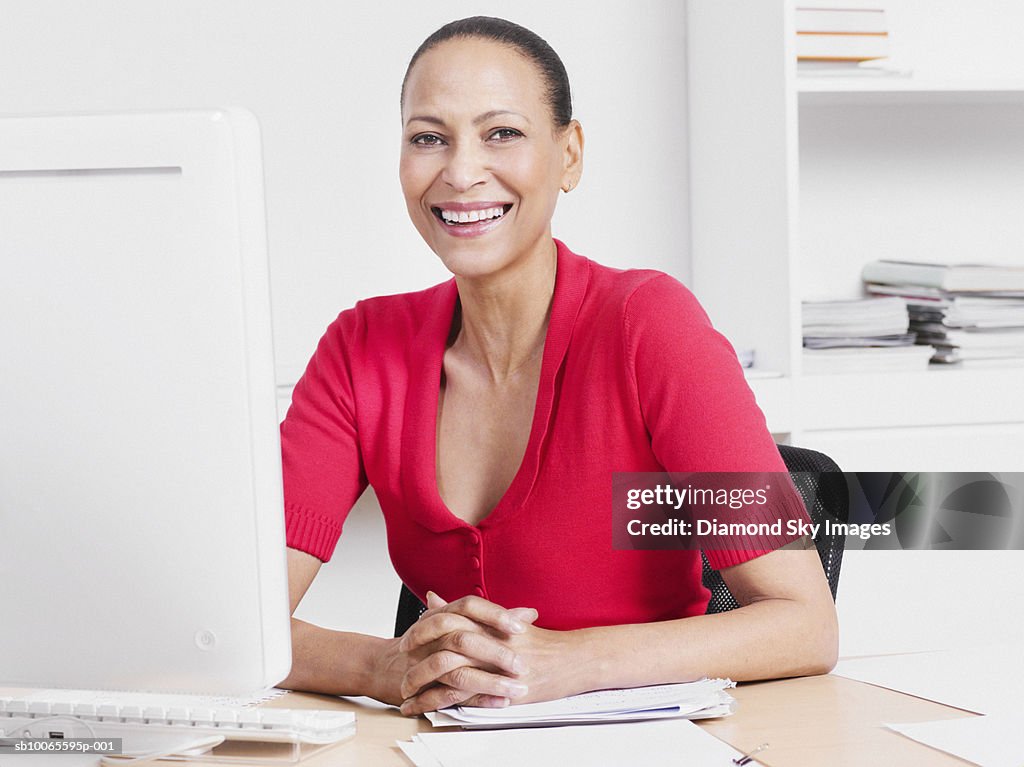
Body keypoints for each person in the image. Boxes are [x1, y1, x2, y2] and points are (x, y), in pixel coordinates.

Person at [281, 16, 838, 716]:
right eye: (428, 138)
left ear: (569, 155)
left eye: (501, 133)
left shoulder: (651, 326)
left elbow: (804, 620)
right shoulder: (361, 347)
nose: (460, 171)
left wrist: (574, 661)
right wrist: (384, 663)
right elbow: (238, 624)